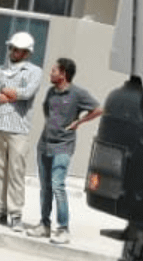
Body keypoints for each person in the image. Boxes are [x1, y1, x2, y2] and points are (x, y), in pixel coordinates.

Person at [24, 57, 102, 242]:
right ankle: (44, 225)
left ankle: (63, 229)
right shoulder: (51, 92)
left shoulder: (78, 94)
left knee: (58, 185)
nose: (50, 73)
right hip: (45, 145)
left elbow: (98, 109)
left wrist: (79, 122)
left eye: (54, 71)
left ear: (63, 74)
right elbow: (47, 112)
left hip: (63, 146)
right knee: (45, 188)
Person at [0, 31, 43, 228]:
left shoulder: (34, 72)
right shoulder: (1, 70)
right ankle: (0, 210)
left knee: (16, 172)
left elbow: (27, 93)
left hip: (18, 129)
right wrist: (5, 93)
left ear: (26, 53)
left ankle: (15, 214)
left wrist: (5, 91)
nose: (13, 52)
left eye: (17, 50)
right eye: (11, 48)